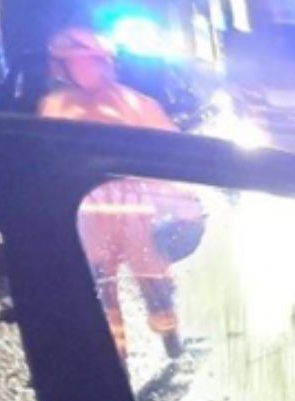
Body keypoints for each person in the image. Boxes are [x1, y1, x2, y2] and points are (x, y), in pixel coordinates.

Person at [39, 27, 189, 358]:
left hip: (136, 216)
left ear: (105, 63)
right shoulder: (54, 108)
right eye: (74, 63)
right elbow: (46, 164)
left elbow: (170, 156)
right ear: (62, 67)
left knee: (155, 284)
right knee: (101, 293)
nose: (84, 69)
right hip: (88, 220)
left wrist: (182, 205)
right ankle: (114, 358)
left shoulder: (137, 105)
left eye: (89, 61)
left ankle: (169, 334)